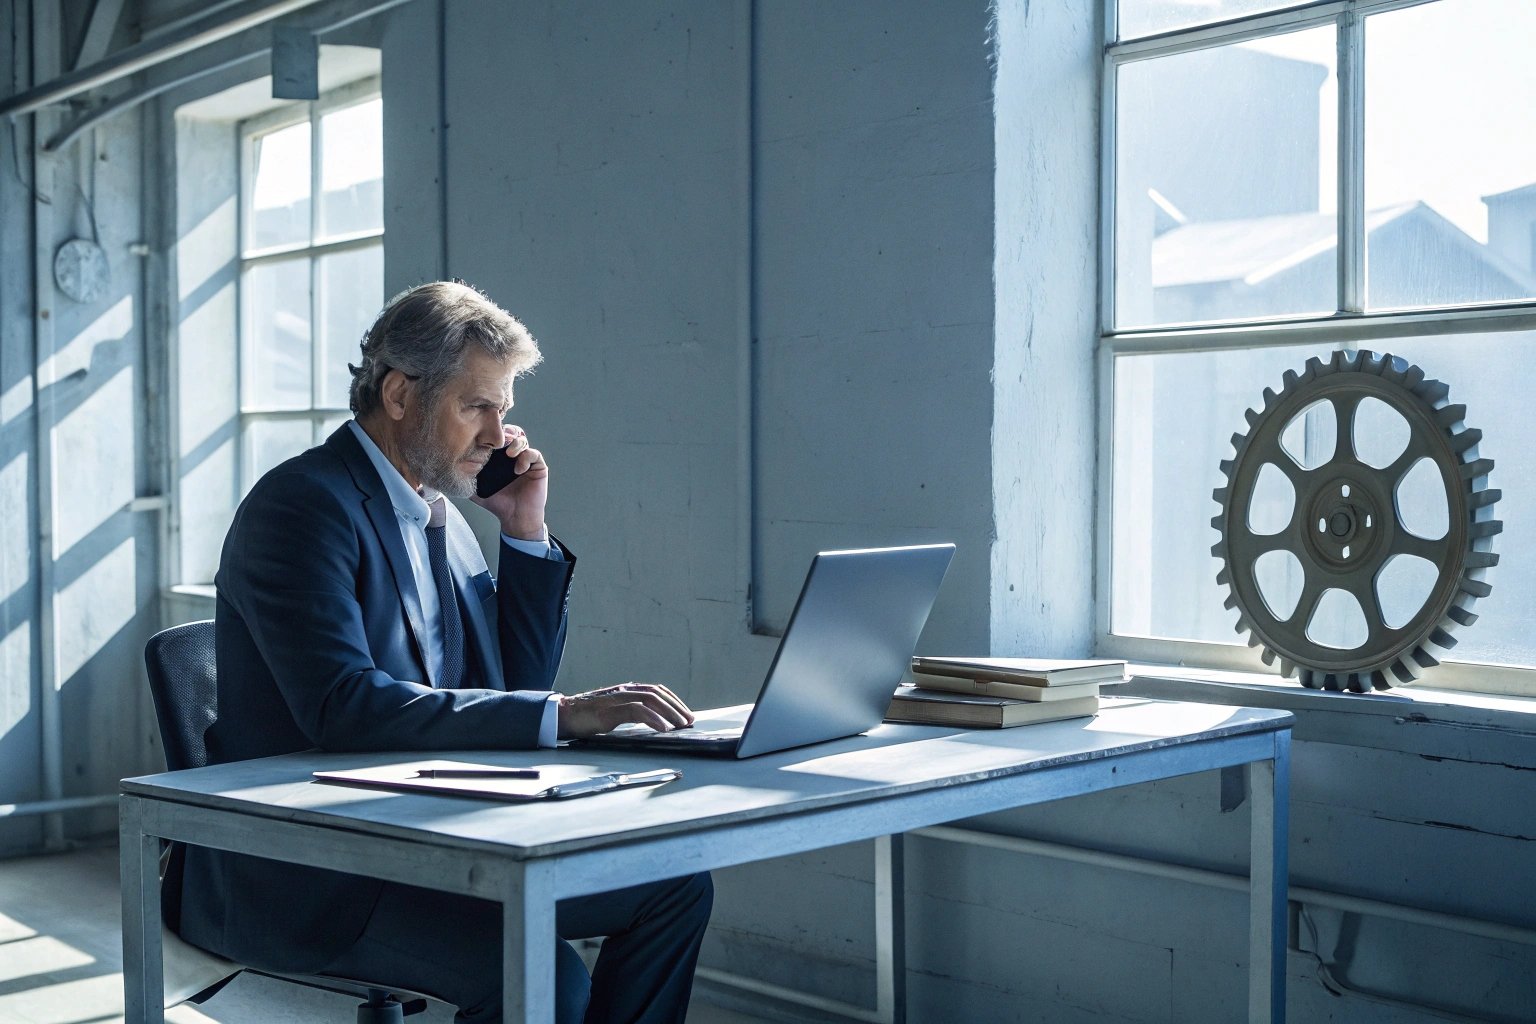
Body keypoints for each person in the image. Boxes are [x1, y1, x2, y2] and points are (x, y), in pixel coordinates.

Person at [171, 281, 713, 1024]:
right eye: (476, 406)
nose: (498, 434)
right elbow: (343, 707)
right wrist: (565, 714)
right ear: (399, 395)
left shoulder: (443, 516)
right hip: (323, 872)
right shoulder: (300, 507)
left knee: (674, 884)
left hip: (434, 834)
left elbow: (510, 688)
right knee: (543, 978)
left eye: (503, 410)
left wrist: (524, 532)